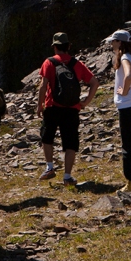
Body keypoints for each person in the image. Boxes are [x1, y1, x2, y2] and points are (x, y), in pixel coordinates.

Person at [34, 32, 100, 187]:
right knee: (70, 142)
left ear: (55, 47)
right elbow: (94, 82)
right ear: (69, 46)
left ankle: (50, 167)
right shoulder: (77, 64)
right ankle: (67, 176)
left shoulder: (49, 62)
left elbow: (43, 86)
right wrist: (85, 102)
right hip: (72, 109)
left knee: (47, 137)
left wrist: (39, 105)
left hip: (52, 106)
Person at [107, 30, 131, 192]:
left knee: (128, 146)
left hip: (126, 107)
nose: (112, 44)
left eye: (113, 41)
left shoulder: (124, 58)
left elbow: (129, 75)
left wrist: (124, 92)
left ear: (120, 43)